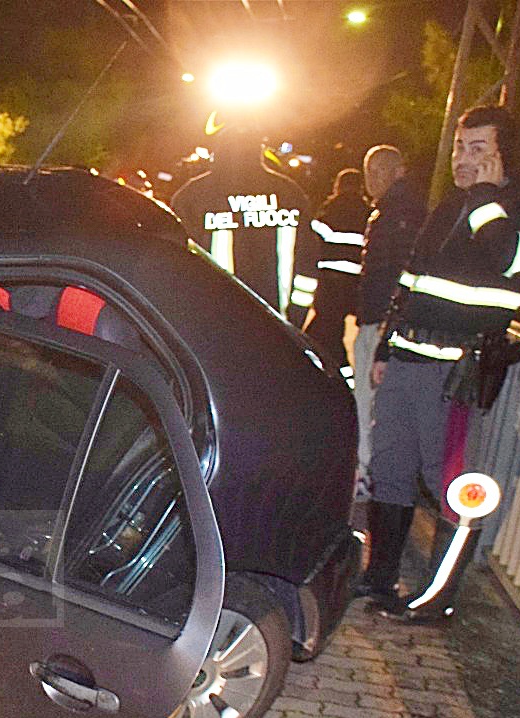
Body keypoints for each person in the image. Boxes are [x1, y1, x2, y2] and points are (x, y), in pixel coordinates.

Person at [358, 106, 520, 623]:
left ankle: (438, 596)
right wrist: (387, 346)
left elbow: (514, 263)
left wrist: (487, 201)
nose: (462, 160)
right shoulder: (451, 202)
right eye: (459, 147)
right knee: (390, 468)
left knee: (446, 482)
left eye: (478, 150)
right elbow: (415, 277)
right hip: (409, 358)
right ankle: (380, 577)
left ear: (502, 155)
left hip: (456, 372)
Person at [170, 124, 316, 318]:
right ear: (259, 150)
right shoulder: (289, 193)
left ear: (218, 151)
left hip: (215, 326)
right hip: (278, 327)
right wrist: (297, 317)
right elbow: (309, 260)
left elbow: (174, 266)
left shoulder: (192, 197)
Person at [350, 146, 426, 499]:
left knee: (369, 400)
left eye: (381, 170)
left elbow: (390, 273)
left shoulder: (397, 214)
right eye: (370, 170)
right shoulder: (403, 210)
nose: (374, 178)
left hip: (381, 321)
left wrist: (381, 320)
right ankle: (378, 475)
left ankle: (366, 475)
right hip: (383, 319)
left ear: (399, 172)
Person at [298, 168, 368, 376]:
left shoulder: (331, 209)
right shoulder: (368, 212)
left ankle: (330, 380)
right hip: (353, 285)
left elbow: (313, 245)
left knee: (315, 336)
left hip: (330, 283)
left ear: (338, 186)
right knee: (329, 334)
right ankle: (340, 379)